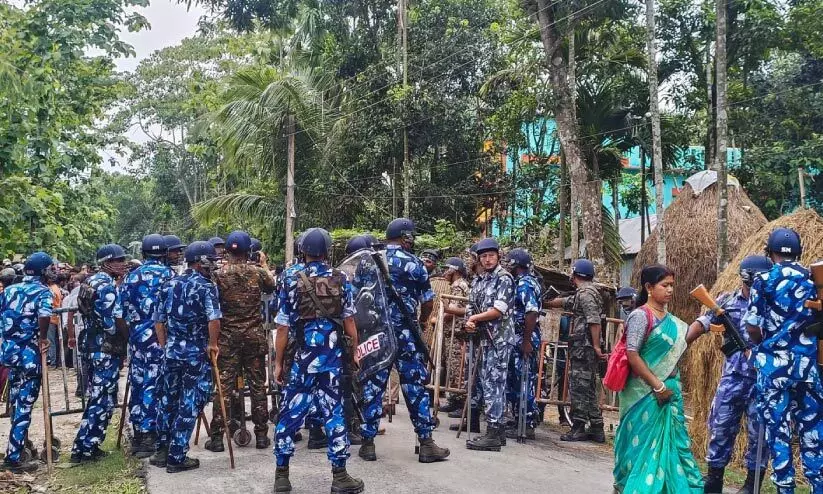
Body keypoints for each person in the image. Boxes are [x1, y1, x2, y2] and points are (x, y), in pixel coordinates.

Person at [273, 228, 363, 494]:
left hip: (301, 359)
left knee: (290, 413)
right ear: (327, 251)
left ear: (303, 251)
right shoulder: (340, 278)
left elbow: (282, 327)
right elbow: (349, 321)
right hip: (331, 360)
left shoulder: (289, 278)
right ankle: (340, 476)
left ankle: (282, 476)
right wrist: (354, 351)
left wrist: (278, 363)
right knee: (334, 413)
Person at [358, 218, 450, 463]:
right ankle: (426, 443)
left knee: (373, 385)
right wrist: (418, 322)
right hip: (406, 335)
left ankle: (367, 443)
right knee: (415, 387)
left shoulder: (368, 261)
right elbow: (428, 300)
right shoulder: (415, 264)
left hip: (377, 334)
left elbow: (356, 297)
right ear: (406, 238)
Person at [743, 228, 823, 494]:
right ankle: (817, 484)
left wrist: (763, 341)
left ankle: (784, 488)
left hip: (774, 369)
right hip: (807, 368)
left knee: (778, 433)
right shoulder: (814, 280)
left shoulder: (763, 280)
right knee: (812, 429)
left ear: (770, 252)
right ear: (799, 252)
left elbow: (753, 326)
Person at [612, 264, 703, 493]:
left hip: (670, 392)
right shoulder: (641, 316)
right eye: (665, 285)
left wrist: (703, 323)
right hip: (644, 394)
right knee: (640, 449)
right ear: (649, 288)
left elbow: (680, 344)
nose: (670, 290)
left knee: (675, 447)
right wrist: (658, 386)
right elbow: (632, 355)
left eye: (672, 285)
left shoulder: (672, 321)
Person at [686, 255, 772, 494]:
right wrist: (681, 345)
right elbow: (702, 323)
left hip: (763, 381)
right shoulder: (727, 302)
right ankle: (714, 479)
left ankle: (750, 484)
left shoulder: (774, 305)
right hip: (733, 379)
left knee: (759, 433)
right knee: (721, 427)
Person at [150, 241, 222, 473]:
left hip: (171, 352)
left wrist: (165, 346)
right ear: (200, 261)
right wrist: (212, 344)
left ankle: (162, 450)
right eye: (210, 261)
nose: (213, 265)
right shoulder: (206, 287)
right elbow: (214, 319)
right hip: (195, 354)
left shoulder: (168, 284)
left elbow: (158, 321)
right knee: (189, 403)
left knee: (167, 400)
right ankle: (176, 456)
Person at [206, 230, 276, 451]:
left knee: (223, 388)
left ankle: (217, 437)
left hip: (228, 338)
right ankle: (262, 435)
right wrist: (263, 263)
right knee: (257, 387)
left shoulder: (218, 275)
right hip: (253, 337)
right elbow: (272, 285)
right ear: (250, 251)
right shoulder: (257, 273)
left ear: (227, 251)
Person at [70, 244, 130, 463]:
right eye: (119, 260)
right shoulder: (105, 285)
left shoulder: (90, 281)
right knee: (101, 399)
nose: (123, 264)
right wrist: (128, 337)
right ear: (106, 263)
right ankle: (86, 447)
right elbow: (112, 322)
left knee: (98, 397)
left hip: (91, 346)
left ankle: (86, 446)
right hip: (104, 348)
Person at [119, 234, 175, 458]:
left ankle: (139, 434)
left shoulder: (130, 278)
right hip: (160, 341)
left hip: (137, 342)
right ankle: (151, 433)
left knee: (139, 384)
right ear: (164, 253)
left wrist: (130, 336)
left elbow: (120, 313)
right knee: (157, 386)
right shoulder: (169, 276)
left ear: (143, 254)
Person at [0, 252, 53, 473]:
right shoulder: (42, 292)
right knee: (24, 405)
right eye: (51, 268)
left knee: (15, 400)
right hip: (30, 354)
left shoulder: (10, 289)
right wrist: (42, 337)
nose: (55, 271)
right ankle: (14, 456)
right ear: (43, 270)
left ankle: (19, 446)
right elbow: (44, 315)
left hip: (10, 353)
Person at [546, 259, 606, 443]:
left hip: (585, 348)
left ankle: (578, 427)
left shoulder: (586, 293)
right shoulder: (586, 293)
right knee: (587, 388)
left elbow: (593, 320)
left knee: (579, 387)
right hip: (584, 347)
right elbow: (567, 301)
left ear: (575, 274)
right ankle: (596, 427)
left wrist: (596, 346)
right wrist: (547, 303)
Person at [463, 238, 514, 452]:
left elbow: (498, 310)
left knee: (495, 383)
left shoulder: (504, 279)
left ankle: (493, 432)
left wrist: (475, 318)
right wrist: (469, 321)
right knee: (487, 383)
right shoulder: (481, 280)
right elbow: (470, 305)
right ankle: (497, 431)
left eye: (491, 255)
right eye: (483, 256)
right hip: (484, 338)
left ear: (498, 256)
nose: (487, 259)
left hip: (499, 339)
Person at [504, 248, 542, 440]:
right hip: (517, 336)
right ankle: (518, 418)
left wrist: (526, 341)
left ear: (515, 264)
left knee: (524, 380)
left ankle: (526, 424)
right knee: (515, 380)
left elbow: (531, 312)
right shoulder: (519, 282)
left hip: (524, 337)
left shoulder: (525, 284)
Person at [438, 257, 471, 416]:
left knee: (458, 367)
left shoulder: (460, 286)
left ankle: (460, 401)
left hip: (456, 333)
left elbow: (456, 308)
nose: (445, 272)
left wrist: (443, 311)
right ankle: (454, 399)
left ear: (455, 270)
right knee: (452, 366)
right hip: (451, 332)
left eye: (448, 269)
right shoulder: (455, 285)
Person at [46, 270, 63, 367]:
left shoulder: (51, 290)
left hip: (51, 317)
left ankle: (52, 362)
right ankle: (55, 360)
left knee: (50, 340)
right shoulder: (56, 288)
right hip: (56, 317)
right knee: (55, 340)